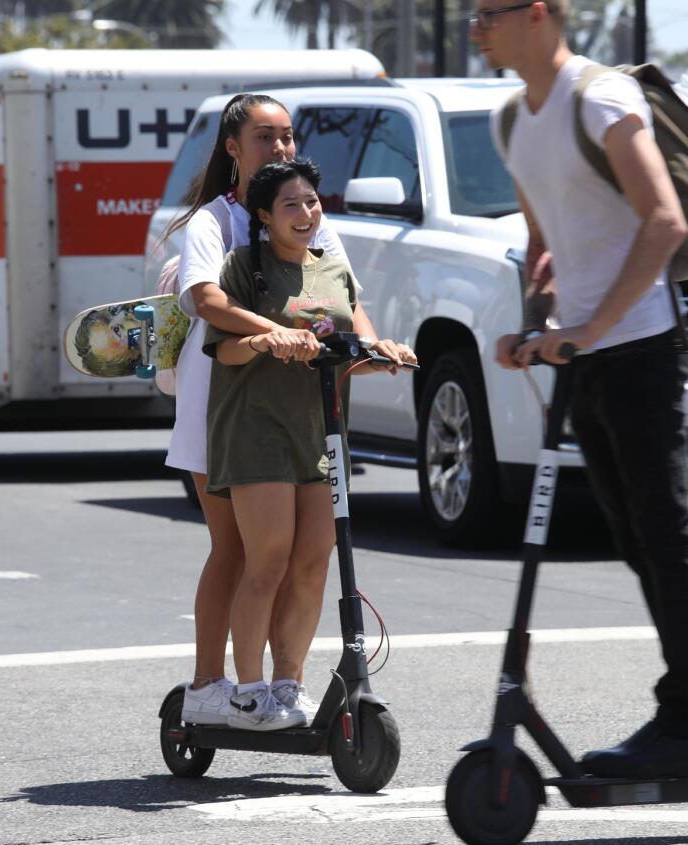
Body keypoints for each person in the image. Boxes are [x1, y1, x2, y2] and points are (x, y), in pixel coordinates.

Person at [473, 0, 688, 777]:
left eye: (488, 13)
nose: (476, 29)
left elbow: (659, 221)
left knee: (664, 531)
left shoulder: (600, 99)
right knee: (632, 536)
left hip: (643, 346)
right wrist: (533, 326)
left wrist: (588, 330)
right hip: (585, 354)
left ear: (538, 15)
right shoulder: (511, 122)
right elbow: (543, 244)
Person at [158, 94, 411, 727]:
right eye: (265, 138)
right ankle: (212, 686)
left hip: (306, 409)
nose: (280, 149)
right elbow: (205, 300)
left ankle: (282, 686)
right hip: (218, 400)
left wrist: (373, 348)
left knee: (302, 555)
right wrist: (274, 333)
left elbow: (348, 305)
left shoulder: (313, 224)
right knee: (237, 550)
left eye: (288, 137)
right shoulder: (214, 223)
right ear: (232, 149)